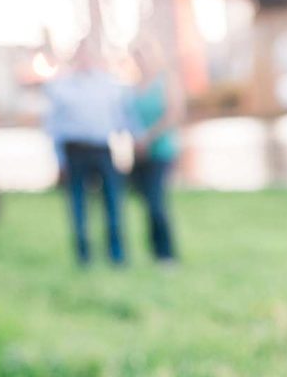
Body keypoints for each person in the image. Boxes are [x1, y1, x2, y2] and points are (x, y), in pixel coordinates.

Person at [44, 39, 129, 265]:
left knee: (112, 203)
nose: (85, 60)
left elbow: (119, 119)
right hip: (74, 151)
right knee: (78, 205)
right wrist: (59, 159)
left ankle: (116, 254)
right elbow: (53, 126)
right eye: (81, 55)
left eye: (89, 55)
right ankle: (83, 255)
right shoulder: (61, 86)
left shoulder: (108, 85)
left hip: (102, 149)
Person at [126, 40, 183, 263]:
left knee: (157, 202)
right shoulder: (134, 86)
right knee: (147, 201)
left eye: (144, 54)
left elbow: (173, 113)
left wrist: (149, 137)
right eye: (137, 56)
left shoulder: (166, 80)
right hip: (139, 153)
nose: (141, 60)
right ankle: (154, 252)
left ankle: (167, 254)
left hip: (161, 150)